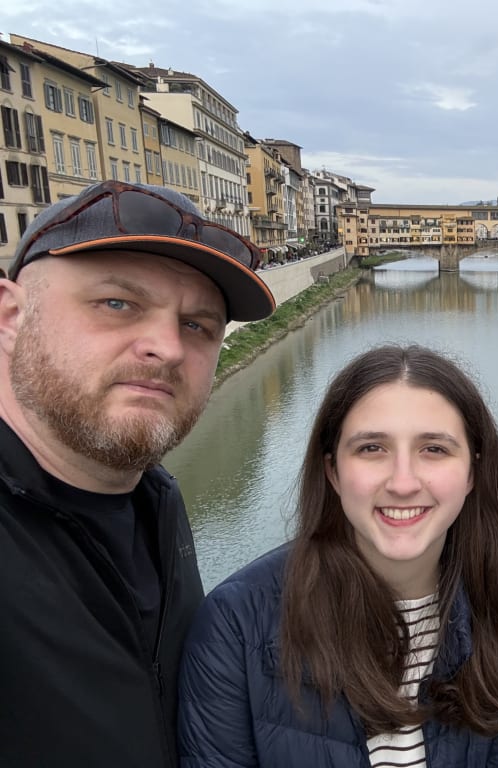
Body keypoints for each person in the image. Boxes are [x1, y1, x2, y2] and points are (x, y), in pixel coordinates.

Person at [0, 180, 276, 766]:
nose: (167, 348)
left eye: (199, 325)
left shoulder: (156, 500)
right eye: (118, 303)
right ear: (10, 317)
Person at [178, 345, 498, 767]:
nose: (403, 482)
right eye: (372, 449)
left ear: (472, 473)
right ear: (332, 471)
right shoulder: (237, 625)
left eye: (434, 449)